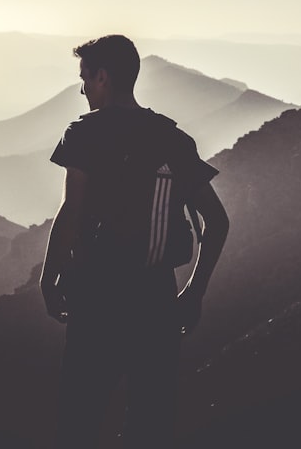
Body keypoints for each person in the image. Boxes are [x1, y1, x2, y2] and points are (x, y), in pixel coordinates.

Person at [39, 35, 229, 448]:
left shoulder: (84, 134)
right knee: (151, 424)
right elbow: (216, 221)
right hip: (156, 299)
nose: (83, 89)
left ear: (102, 77)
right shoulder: (173, 140)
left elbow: (71, 213)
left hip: (96, 298)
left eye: (84, 78)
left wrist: (49, 280)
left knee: (80, 420)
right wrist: (193, 292)